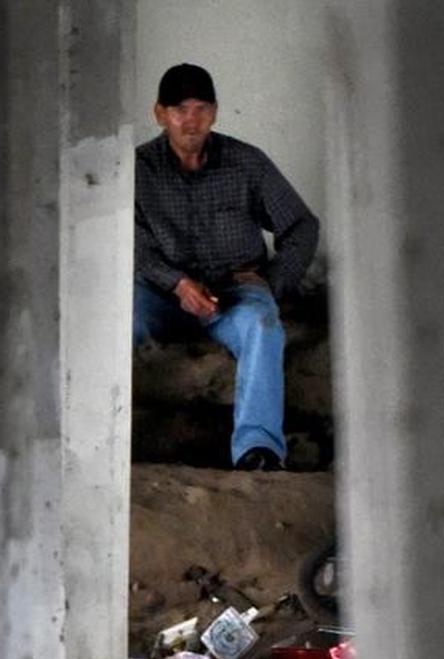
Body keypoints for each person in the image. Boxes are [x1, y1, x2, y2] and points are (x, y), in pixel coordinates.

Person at [133, 62, 320, 472]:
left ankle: (258, 450)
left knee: (262, 325)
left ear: (215, 112)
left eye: (202, 108)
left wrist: (273, 281)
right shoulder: (136, 170)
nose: (191, 120)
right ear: (159, 114)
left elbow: (302, 225)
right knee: (116, 320)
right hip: (163, 297)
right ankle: (104, 442)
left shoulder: (246, 163)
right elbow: (131, 243)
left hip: (233, 292)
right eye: (180, 109)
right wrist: (177, 283)